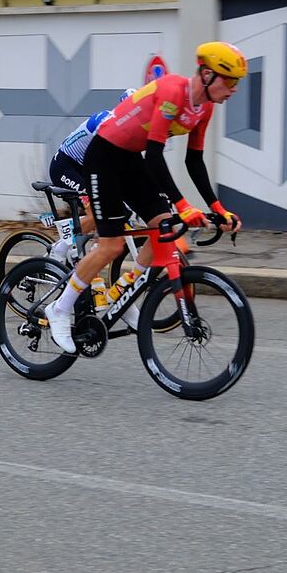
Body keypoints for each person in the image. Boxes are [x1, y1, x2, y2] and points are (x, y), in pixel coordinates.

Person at [44, 41, 246, 353]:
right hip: (105, 157)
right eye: (230, 81)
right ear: (206, 74)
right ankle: (59, 308)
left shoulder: (203, 109)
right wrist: (184, 205)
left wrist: (218, 208)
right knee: (110, 245)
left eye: (237, 83)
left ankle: (120, 294)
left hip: (130, 160)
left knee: (163, 230)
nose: (234, 90)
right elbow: (155, 156)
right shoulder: (171, 92)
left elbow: (194, 161)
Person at [47, 87, 136, 263]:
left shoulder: (127, 128)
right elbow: (103, 160)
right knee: (97, 212)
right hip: (65, 167)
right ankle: (60, 249)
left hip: (84, 168)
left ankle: (88, 249)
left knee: (120, 210)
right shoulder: (106, 122)